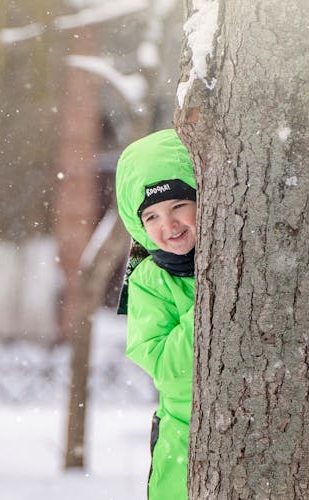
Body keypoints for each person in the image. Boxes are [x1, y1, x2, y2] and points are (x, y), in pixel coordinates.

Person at [115, 128, 197, 499]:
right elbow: (169, 367)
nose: (170, 225)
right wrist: (210, 308)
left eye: (180, 205)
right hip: (184, 443)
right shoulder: (151, 280)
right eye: (152, 217)